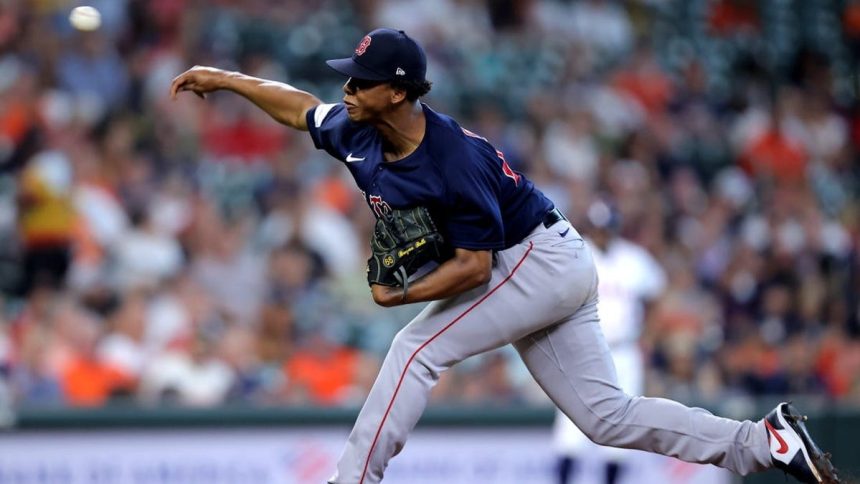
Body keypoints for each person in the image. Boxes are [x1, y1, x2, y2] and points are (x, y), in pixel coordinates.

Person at [170, 28, 841, 484]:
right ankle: (765, 442)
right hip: (549, 264)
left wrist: (396, 296)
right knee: (603, 417)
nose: (348, 89)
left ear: (399, 91)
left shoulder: (451, 161)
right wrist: (225, 79)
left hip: (533, 260)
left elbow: (473, 270)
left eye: (363, 82)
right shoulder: (355, 123)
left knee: (413, 349)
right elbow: (301, 110)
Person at [553, 199, 666, 484]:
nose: (602, 233)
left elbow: (655, 295)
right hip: (583, 351)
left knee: (621, 429)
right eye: (597, 228)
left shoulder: (634, 259)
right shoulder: (575, 253)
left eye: (607, 228)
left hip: (623, 351)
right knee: (570, 429)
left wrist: (648, 337)